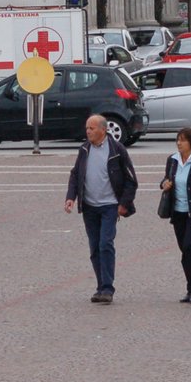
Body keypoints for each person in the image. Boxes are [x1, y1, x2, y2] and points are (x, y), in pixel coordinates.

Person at [64, 114, 138, 305]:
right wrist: (71, 197)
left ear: (103, 130)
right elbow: (75, 174)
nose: (88, 131)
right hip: (89, 206)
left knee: (106, 244)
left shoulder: (117, 150)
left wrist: (124, 203)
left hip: (109, 206)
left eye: (92, 128)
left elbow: (131, 180)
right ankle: (100, 287)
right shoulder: (84, 149)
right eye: (87, 128)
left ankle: (107, 288)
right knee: (95, 248)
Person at [159, 127, 191, 304]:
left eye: (183, 140)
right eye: (178, 139)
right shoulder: (172, 160)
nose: (179, 143)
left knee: (189, 246)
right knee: (185, 250)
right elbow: (166, 180)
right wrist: (164, 184)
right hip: (177, 213)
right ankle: (190, 289)